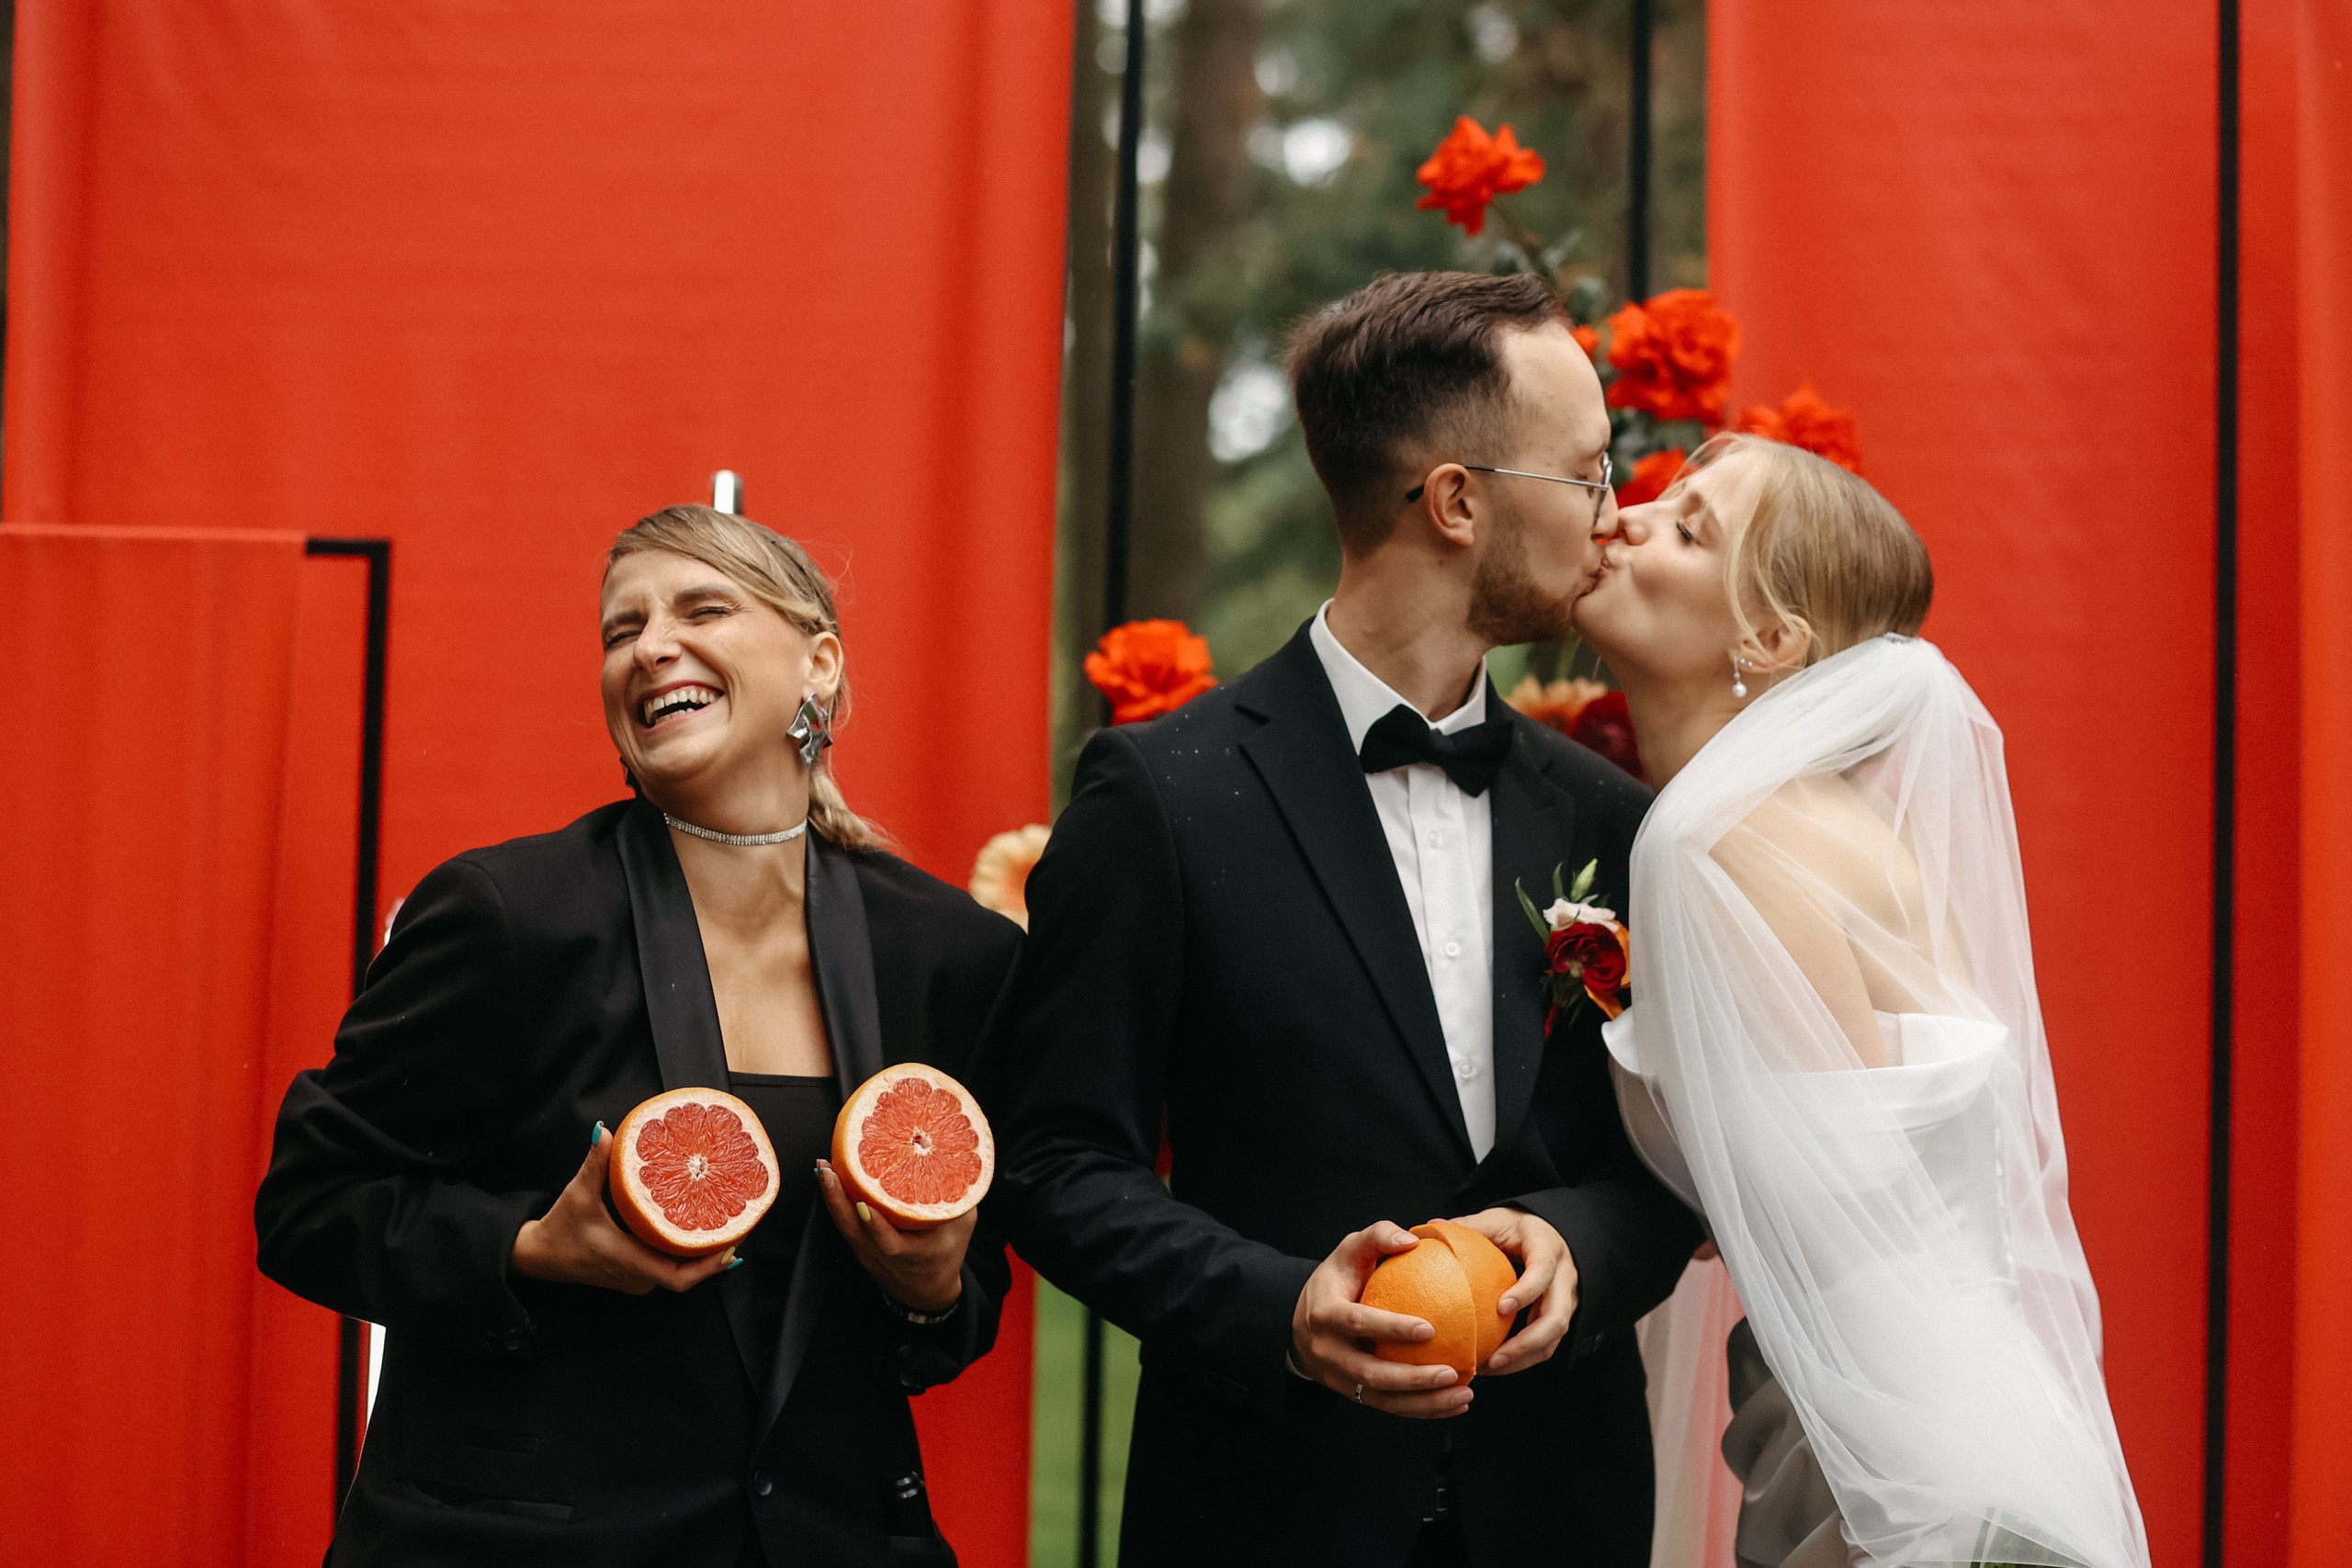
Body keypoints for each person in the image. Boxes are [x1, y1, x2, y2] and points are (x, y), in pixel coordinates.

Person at [978, 271, 1702, 1568]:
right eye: (1587, 472)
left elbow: (1671, 1165)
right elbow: (1053, 1160)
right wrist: (1282, 1306)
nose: (1614, 512)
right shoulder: (1159, 795)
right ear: (1457, 499)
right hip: (1262, 1508)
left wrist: (1577, 1244)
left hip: (1560, 1510)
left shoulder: (1616, 817)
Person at [254, 505, 1021, 1568]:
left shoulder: (948, 952)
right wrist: (532, 1249)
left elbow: (962, 1302)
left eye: (702, 607)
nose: (652, 645)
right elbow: (309, 1202)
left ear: (819, 663)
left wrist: (934, 1286)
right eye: (623, 631)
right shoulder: (508, 917)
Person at [1575, 435, 2151, 1568]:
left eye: (1689, 530)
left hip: (1891, 1466)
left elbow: (1840, 1209)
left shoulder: (1719, 836)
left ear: (1770, 642)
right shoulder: (1812, 824)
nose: (1626, 521)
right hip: (1962, 1424)